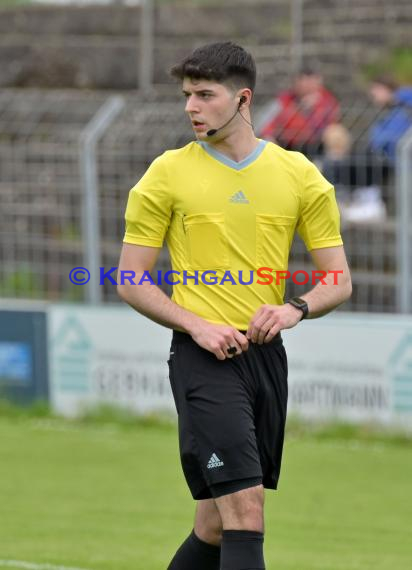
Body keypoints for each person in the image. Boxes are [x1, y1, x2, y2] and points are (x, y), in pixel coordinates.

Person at [117, 42, 352, 570]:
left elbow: (338, 280)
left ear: (242, 99)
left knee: (215, 527)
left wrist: (295, 308)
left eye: (205, 95)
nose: (190, 107)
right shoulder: (167, 172)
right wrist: (197, 325)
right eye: (187, 95)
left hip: (267, 359)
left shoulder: (299, 175)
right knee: (247, 511)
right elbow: (130, 279)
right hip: (204, 361)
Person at [258, 67, 340, 157]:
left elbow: (331, 124)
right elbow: (265, 125)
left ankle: (328, 167)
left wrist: (311, 111)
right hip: (288, 142)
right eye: (303, 82)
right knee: (267, 140)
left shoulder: (327, 100)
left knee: (336, 134)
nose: (306, 86)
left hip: (316, 143)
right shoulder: (283, 100)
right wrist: (298, 108)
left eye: (310, 83)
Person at [368, 75, 412, 163]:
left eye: (376, 90)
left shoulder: (404, 104)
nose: (373, 96)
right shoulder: (391, 111)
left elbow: (393, 135)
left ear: (385, 88)